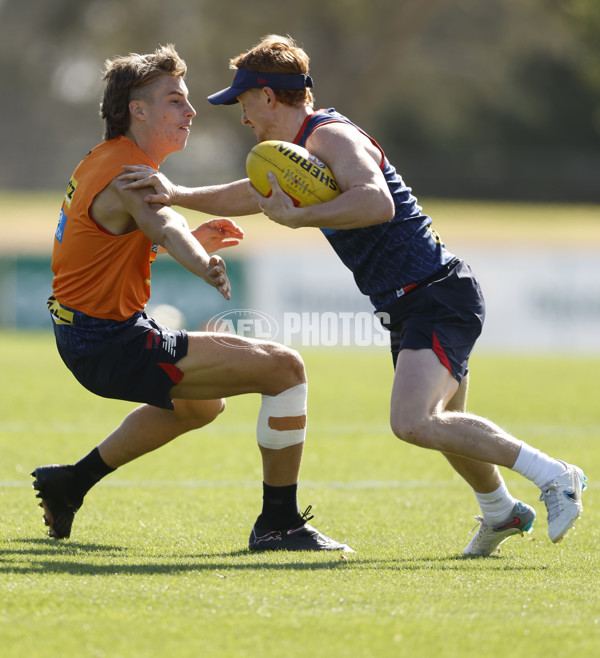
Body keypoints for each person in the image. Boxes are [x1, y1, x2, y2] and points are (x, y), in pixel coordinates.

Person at [120, 35, 588, 557]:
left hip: (437, 295)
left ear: (269, 98)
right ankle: (501, 512)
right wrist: (178, 194)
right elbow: (256, 193)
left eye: (244, 102)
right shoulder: (298, 152)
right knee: (446, 425)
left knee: (414, 421)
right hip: (408, 303)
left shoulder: (332, 137)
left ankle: (556, 476)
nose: (243, 115)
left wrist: (302, 217)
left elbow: (377, 201)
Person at [32, 44, 353, 554]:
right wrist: (199, 260)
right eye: (175, 99)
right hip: (107, 339)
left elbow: (122, 244)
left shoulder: (109, 161)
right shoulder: (128, 172)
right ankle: (279, 525)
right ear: (138, 110)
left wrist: (193, 244)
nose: (190, 110)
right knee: (286, 369)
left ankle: (71, 483)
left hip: (89, 333)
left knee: (201, 407)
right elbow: (164, 222)